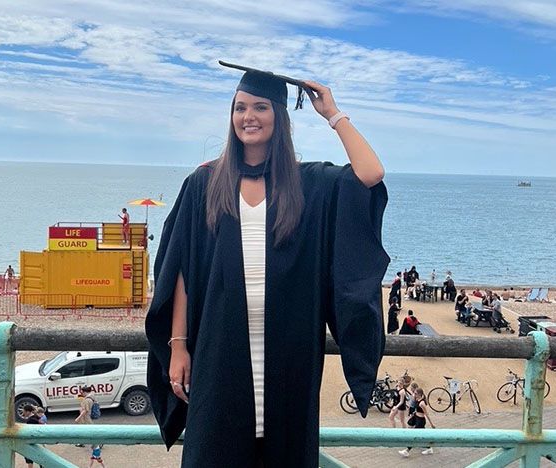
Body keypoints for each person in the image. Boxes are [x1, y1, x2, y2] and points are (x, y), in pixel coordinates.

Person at [145, 61, 389, 467]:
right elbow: (182, 270)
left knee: (286, 449)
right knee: (214, 449)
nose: (248, 117)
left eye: (260, 107)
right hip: (219, 344)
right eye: (240, 108)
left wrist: (334, 114)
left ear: (278, 116)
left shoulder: (308, 183)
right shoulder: (205, 183)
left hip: (289, 346)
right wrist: (178, 346)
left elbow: (370, 173)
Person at [398, 387, 435, 457]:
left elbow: (426, 414)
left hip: (420, 421)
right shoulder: (418, 399)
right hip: (416, 418)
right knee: (422, 435)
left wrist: (431, 424)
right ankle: (429, 448)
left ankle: (407, 450)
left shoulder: (422, 403)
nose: (414, 395)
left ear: (419, 394)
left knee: (415, 436)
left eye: (415, 393)